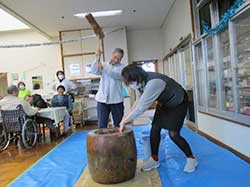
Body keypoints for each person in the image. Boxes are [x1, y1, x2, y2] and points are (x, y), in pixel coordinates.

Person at [119, 64, 198, 173]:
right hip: (165, 102)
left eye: (131, 82)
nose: (131, 85)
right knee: (155, 128)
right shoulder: (141, 82)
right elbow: (138, 101)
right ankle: (154, 159)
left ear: (137, 77)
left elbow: (142, 107)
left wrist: (125, 121)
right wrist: (126, 117)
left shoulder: (154, 82)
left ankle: (191, 158)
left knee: (173, 134)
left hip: (178, 102)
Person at [90, 48, 125, 128]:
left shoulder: (123, 68)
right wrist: (97, 57)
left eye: (118, 59)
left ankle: (118, 140)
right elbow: (94, 70)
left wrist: (104, 69)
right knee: (102, 125)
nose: (116, 60)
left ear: (121, 59)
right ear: (112, 54)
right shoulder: (104, 64)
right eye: (115, 57)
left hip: (116, 100)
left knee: (118, 125)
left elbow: (116, 75)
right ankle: (102, 140)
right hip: (102, 100)